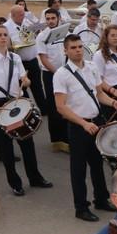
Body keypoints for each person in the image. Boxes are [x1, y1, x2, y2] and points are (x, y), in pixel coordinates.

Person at [54, 34, 117, 222]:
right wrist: (84, 123)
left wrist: (113, 102)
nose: (77, 50)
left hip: (97, 122)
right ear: (66, 50)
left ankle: (101, 199)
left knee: (97, 164)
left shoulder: (92, 67)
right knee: (78, 169)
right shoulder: (61, 74)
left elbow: (99, 94)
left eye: (79, 46)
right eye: (73, 47)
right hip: (79, 126)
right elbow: (61, 107)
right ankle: (81, 207)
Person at [0, 24, 52, 197]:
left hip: (16, 101)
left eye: (5, 35)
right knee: (5, 146)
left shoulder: (15, 58)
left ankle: (35, 177)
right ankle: (15, 183)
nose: (3, 38)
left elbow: (24, 79)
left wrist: (26, 82)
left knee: (27, 141)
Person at [37, 8, 70, 152]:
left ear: (58, 18)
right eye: (48, 18)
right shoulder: (42, 37)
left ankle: (68, 139)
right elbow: (44, 59)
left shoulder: (67, 34)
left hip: (66, 73)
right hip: (51, 75)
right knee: (54, 107)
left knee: (67, 105)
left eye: (53, 18)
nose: (50, 21)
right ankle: (57, 141)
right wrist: (58, 73)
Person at [6, 4, 46, 114]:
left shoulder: (28, 22)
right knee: (22, 88)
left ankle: (44, 109)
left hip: (32, 59)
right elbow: (7, 46)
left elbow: (36, 32)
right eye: (20, 14)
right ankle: (28, 111)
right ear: (13, 15)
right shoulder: (6, 27)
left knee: (37, 86)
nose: (23, 16)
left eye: (24, 13)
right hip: (19, 62)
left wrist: (37, 28)